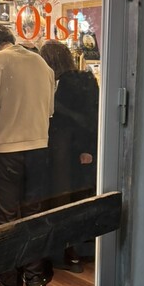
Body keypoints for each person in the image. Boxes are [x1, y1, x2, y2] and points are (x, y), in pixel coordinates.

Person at [0, 24, 55, 286]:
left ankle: (8, 281)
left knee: (7, 217)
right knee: (33, 213)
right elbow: (49, 110)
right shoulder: (41, 63)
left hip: (6, 150)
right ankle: (34, 278)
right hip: (39, 147)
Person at [40, 40, 99, 272]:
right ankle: (81, 250)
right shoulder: (85, 78)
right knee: (81, 198)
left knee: (64, 198)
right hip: (84, 147)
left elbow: (63, 116)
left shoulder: (64, 84)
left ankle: (68, 253)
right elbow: (93, 115)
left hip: (68, 150)